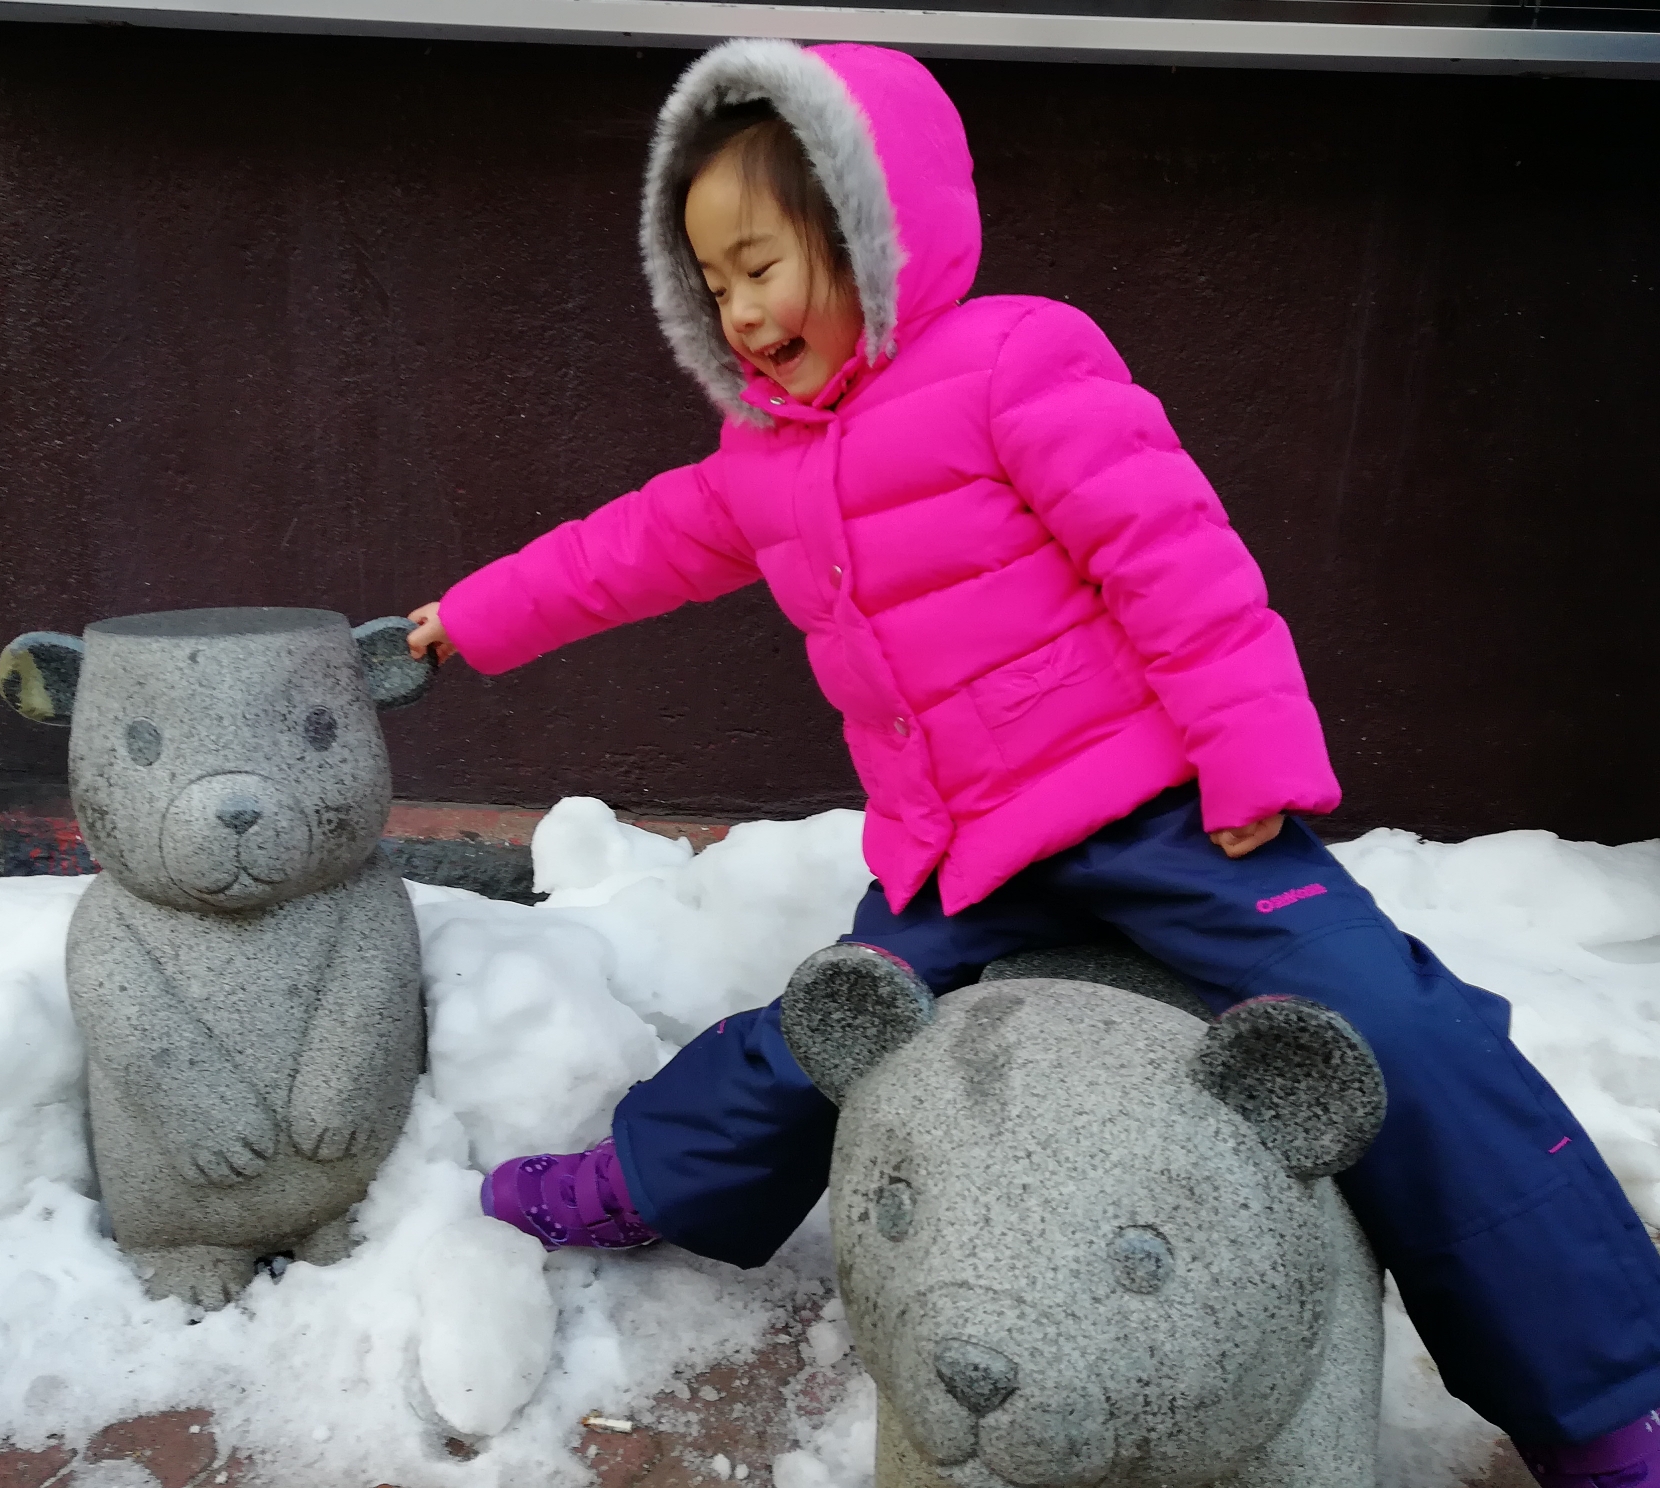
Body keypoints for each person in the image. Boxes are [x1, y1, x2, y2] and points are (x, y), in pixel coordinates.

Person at [402, 38, 1660, 1486]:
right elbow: (620, 551)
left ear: (870, 226)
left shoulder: (1016, 359)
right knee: (818, 1031)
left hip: (1167, 823)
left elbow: (1173, 555)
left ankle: (1600, 1399)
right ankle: (645, 1178)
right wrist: (469, 621)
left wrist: (1253, 760)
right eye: (713, 283)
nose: (740, 311)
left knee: (1400, 1033)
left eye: (763, 262)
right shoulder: (760, 463)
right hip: (965, 857)